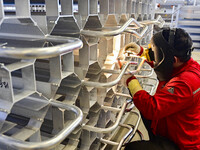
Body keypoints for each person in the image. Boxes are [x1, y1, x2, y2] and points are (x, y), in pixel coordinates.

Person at [124, 28, 200, 150]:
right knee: (143, 107)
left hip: (180, 144)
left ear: (173, 60)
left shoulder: (185, 83)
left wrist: (129, 80)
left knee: (132, 148)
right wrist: (142, 52)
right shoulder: (185, 64)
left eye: (156, 52)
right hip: (170, 125)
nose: (153, 54)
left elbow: (151, 108)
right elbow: (162, 63)